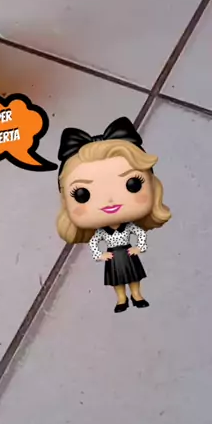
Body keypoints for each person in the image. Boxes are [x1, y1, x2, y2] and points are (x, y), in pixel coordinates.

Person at [56, 117, 171, 313]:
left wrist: (139, 247)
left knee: (134, 276)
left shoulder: (130, 228)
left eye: (132, 184)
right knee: (117, 280)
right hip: (113, 257)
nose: (109, 200)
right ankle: (121, 298)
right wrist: (100, 254)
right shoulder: (103, 233)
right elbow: (95, 242)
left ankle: (136, 295)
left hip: (127, 253)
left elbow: (139, 234)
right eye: (82, 194)